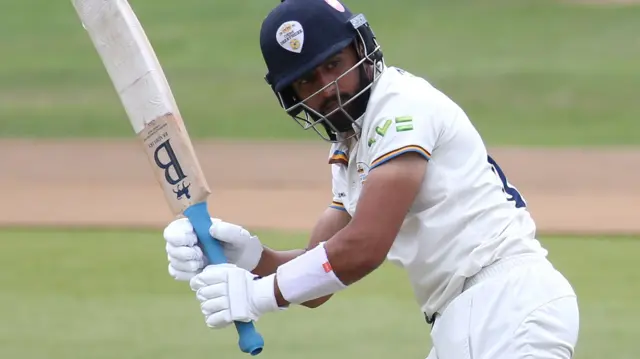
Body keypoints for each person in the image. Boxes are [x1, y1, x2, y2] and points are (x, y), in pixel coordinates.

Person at [162, 0, 580, 357]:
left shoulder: (401, 107)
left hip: (508, 302)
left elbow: (365, 246)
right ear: (292, 96)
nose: (330, 88)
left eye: (334, 65)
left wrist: (257, 296)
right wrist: (248, 258)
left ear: (361, 49)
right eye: (309, 79)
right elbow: (319, 278)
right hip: (462, 318)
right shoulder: (351, 147)